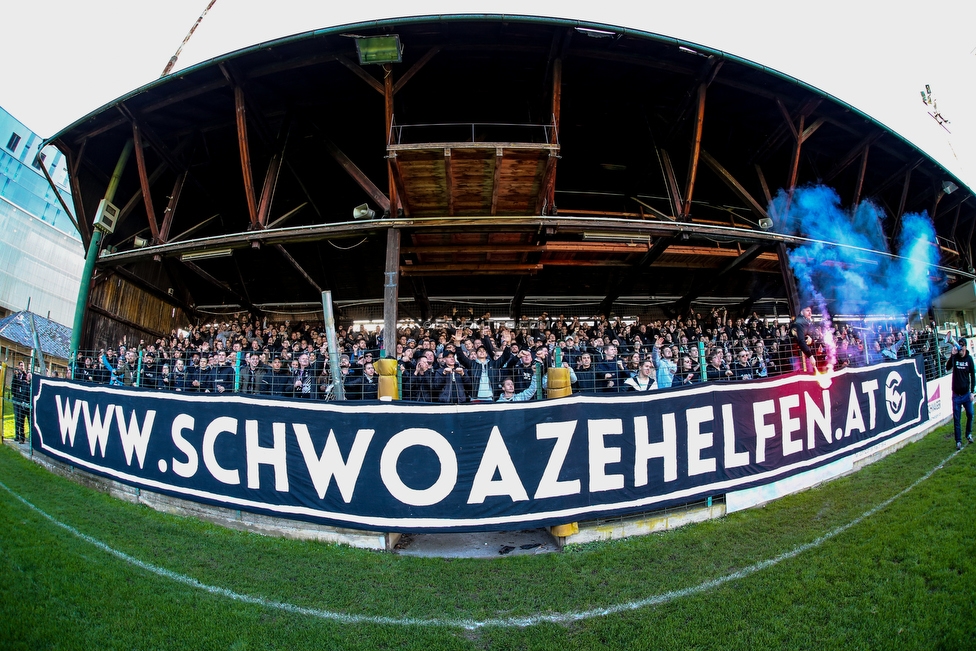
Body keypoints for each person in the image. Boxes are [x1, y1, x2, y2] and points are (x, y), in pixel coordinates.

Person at [946, 338, 976, 451]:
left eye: (962, 346)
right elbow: (947, 367)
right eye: (959, 346)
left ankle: (968, 434)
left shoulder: (969, 359)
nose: (960, 348)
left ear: (965, 347)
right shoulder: (955, 357)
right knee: (957, 419)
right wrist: (952, 356)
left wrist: (972, 392)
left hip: (966, 394)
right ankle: (958, 441)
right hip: (956, 395)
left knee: (970, 414)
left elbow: (973, 376)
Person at [790, 305, 816, 373]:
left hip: (806, 354)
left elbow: (811, 337)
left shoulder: (808, 324)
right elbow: (801, 341)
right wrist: (810, 356)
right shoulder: (798, 323)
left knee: (810, 374)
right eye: (807, 311)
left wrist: (811, 340)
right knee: (798, 375)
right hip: (796, 355)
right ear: (802, 312)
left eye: (810, 311)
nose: (810, 313)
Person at [11, 361, 30, 443]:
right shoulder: (16, 375)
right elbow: (13, 385)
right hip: (16, 397)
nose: (22, 367)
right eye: (21, 366)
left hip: (22, 398)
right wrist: (14, 395)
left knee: (21, 416)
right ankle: (17, 435)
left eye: (23, 366)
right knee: (17, 417)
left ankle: (22, 437)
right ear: (18, 366)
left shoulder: (25, 375)